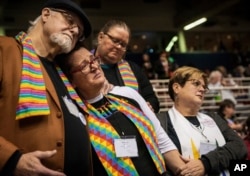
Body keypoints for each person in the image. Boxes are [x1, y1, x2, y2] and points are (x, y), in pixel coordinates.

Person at [56, 45, 188, 176]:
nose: (95, 67)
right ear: (70, 80)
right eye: (84, 65)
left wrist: (184, 171)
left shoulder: (128, 96)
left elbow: (160, 138)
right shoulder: (76, 119)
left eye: (94, 60)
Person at [0, 0, 93, 175]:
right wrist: (12, 160)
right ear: (46, 15)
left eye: (79, 32)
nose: (74, 31)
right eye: (70, 21)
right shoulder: (5, 50)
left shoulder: (63, 73)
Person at [159, 66, 247, 176]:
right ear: (176, 88)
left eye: (204, 87)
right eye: (196, 84)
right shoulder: (162, 121)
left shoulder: (214, 118)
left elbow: (239, 147)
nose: (202, 89)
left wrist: (206, 163)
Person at [92, 19, 160, 113]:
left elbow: (152, 98)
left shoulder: (133, 69)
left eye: (123, 44)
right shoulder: (85, 67)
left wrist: (149, 106)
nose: (119, 47)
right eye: (115, 41)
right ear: (100, 37)